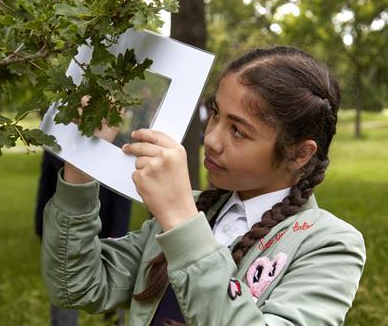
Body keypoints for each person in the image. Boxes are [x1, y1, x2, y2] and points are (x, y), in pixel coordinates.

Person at [40, 46, 366, 326]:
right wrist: (82, 168)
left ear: (298, 154)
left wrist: (181, 219)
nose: (210, 139)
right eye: (215, 114)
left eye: (238, 131)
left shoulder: (329, 244)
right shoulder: (195, 211)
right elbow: (75, 285)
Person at [34, 151, 131, 326]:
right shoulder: (60, 144)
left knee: (115, 287)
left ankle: (114, 320)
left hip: (108, 227)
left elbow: (122, 198)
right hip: (68, 229)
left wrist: (119, 233)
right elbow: (46, 185)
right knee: (67, 282)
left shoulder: (116, 150)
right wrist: (41, 228)